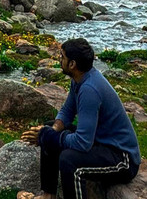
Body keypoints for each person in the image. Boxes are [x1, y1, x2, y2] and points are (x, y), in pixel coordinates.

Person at [19, 38, 140, 199]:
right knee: (49, 129)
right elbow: (67, 110)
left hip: (122, 159)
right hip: (101, 142)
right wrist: (52, 131)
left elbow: (83, 142)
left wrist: (52, 137)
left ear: (72, 64)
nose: (59, 59)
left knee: (69, 160)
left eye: (62, 56)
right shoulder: (79, 79)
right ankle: (48, 195)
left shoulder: (90, 89)